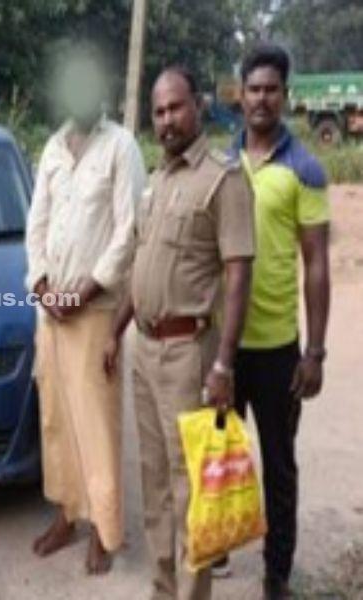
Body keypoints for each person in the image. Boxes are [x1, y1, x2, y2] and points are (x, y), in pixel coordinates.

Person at [103, 67, 255, 600]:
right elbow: (139, 267)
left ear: (198, 106)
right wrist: (115, 331)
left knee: (191, 487)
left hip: (189, 354)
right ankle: (163, 589)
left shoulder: (223, 180)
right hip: (144, 349)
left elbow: (238, 275)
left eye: (175, 107)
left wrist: (224, 364)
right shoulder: (157, 180)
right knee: (155, 484)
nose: (166, 119)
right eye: (159, 111)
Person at [26, 47, 146, 574]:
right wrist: (42, 285)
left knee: (97, 425)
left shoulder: (121, 147)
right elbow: (36, 225)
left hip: (95, 311)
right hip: (51, 313)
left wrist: (85, 290)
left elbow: (129, 231)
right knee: (56, 421)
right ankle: (66, 516)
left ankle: (104, 529)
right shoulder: (53, 148)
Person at [225, 44, 330, 600]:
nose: (261, 99)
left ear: (285, 96)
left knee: (279, 465)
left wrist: (315, 352)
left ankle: (276, 574)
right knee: (220, 454)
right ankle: (218, 545)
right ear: (240, 96)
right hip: (224, 346)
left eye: (271, 89)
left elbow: (316, 264)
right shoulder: (221, 162)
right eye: (253, 89)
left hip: (276, 348)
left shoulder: (304, 169)